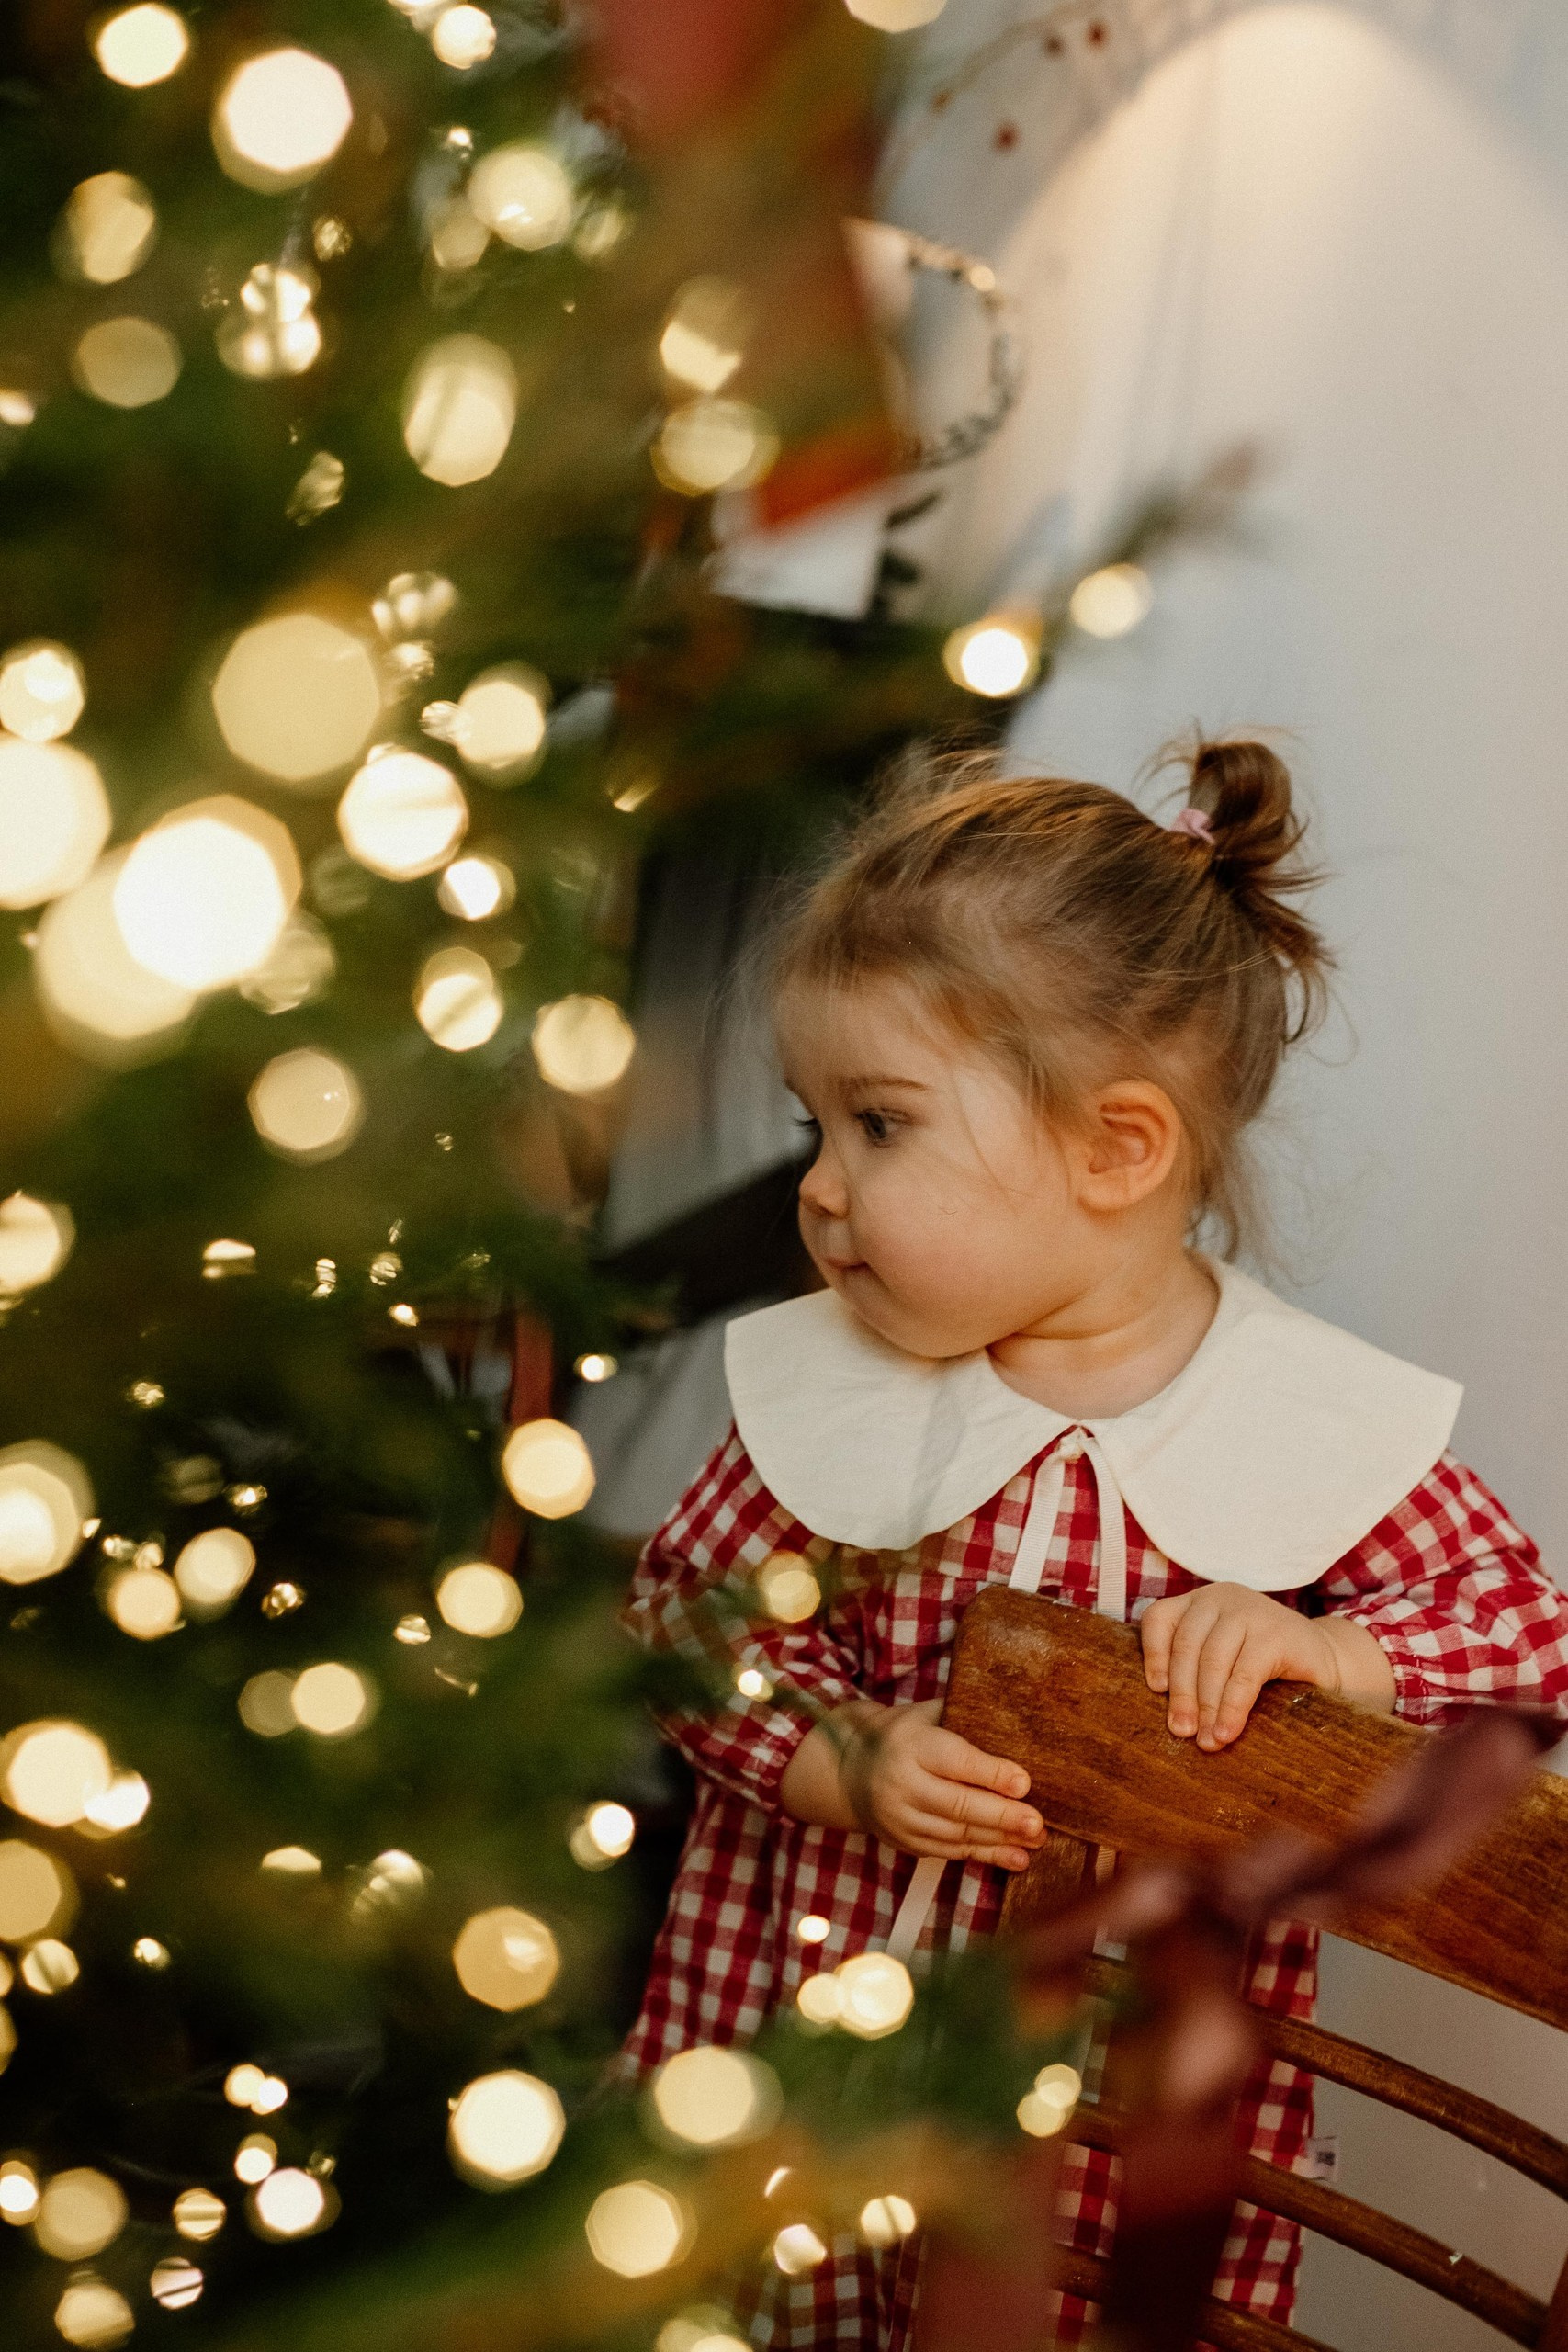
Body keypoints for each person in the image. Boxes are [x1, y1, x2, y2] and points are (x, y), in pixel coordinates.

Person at [621, 739, 1568, 2349]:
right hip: (807, 2056)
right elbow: (687, 1624)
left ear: (1117, 1149)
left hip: (1114, 2126)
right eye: (816, 1127)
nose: (822, 1192)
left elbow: (1532, 1628)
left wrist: (1327, 1648)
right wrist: (835, 1756)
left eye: (880, 1126)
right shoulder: (834, 1386)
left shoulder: (1301, 1417)